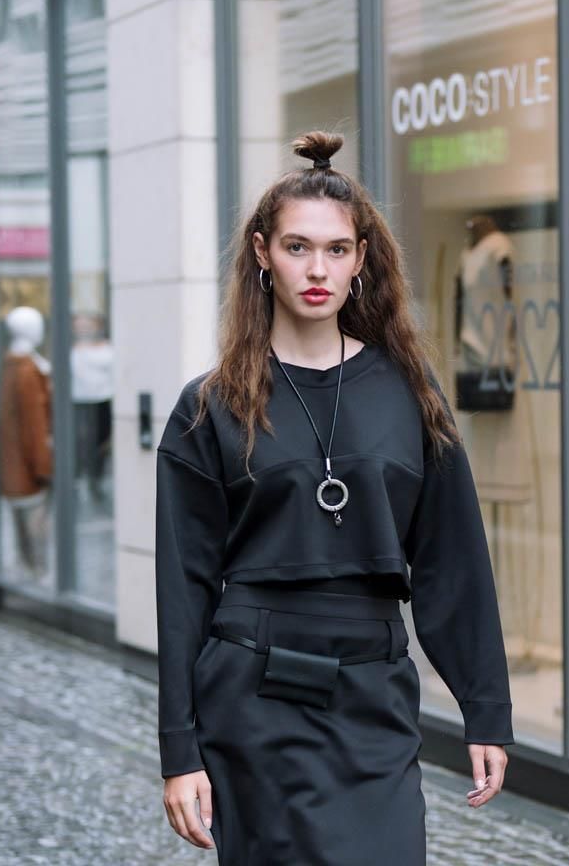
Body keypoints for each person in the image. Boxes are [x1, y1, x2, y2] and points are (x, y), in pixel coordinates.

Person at [155, 132, 514, 865]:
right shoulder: (211, 405)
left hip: (371, 694)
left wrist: (485, 707)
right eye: (295, 247)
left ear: (361, 259)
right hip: (251, 694)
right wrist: (178, 749)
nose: (316, 269)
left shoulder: (410, 395)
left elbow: (452, 562)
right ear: (261, 253)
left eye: (336, 249)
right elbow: (183, 587)